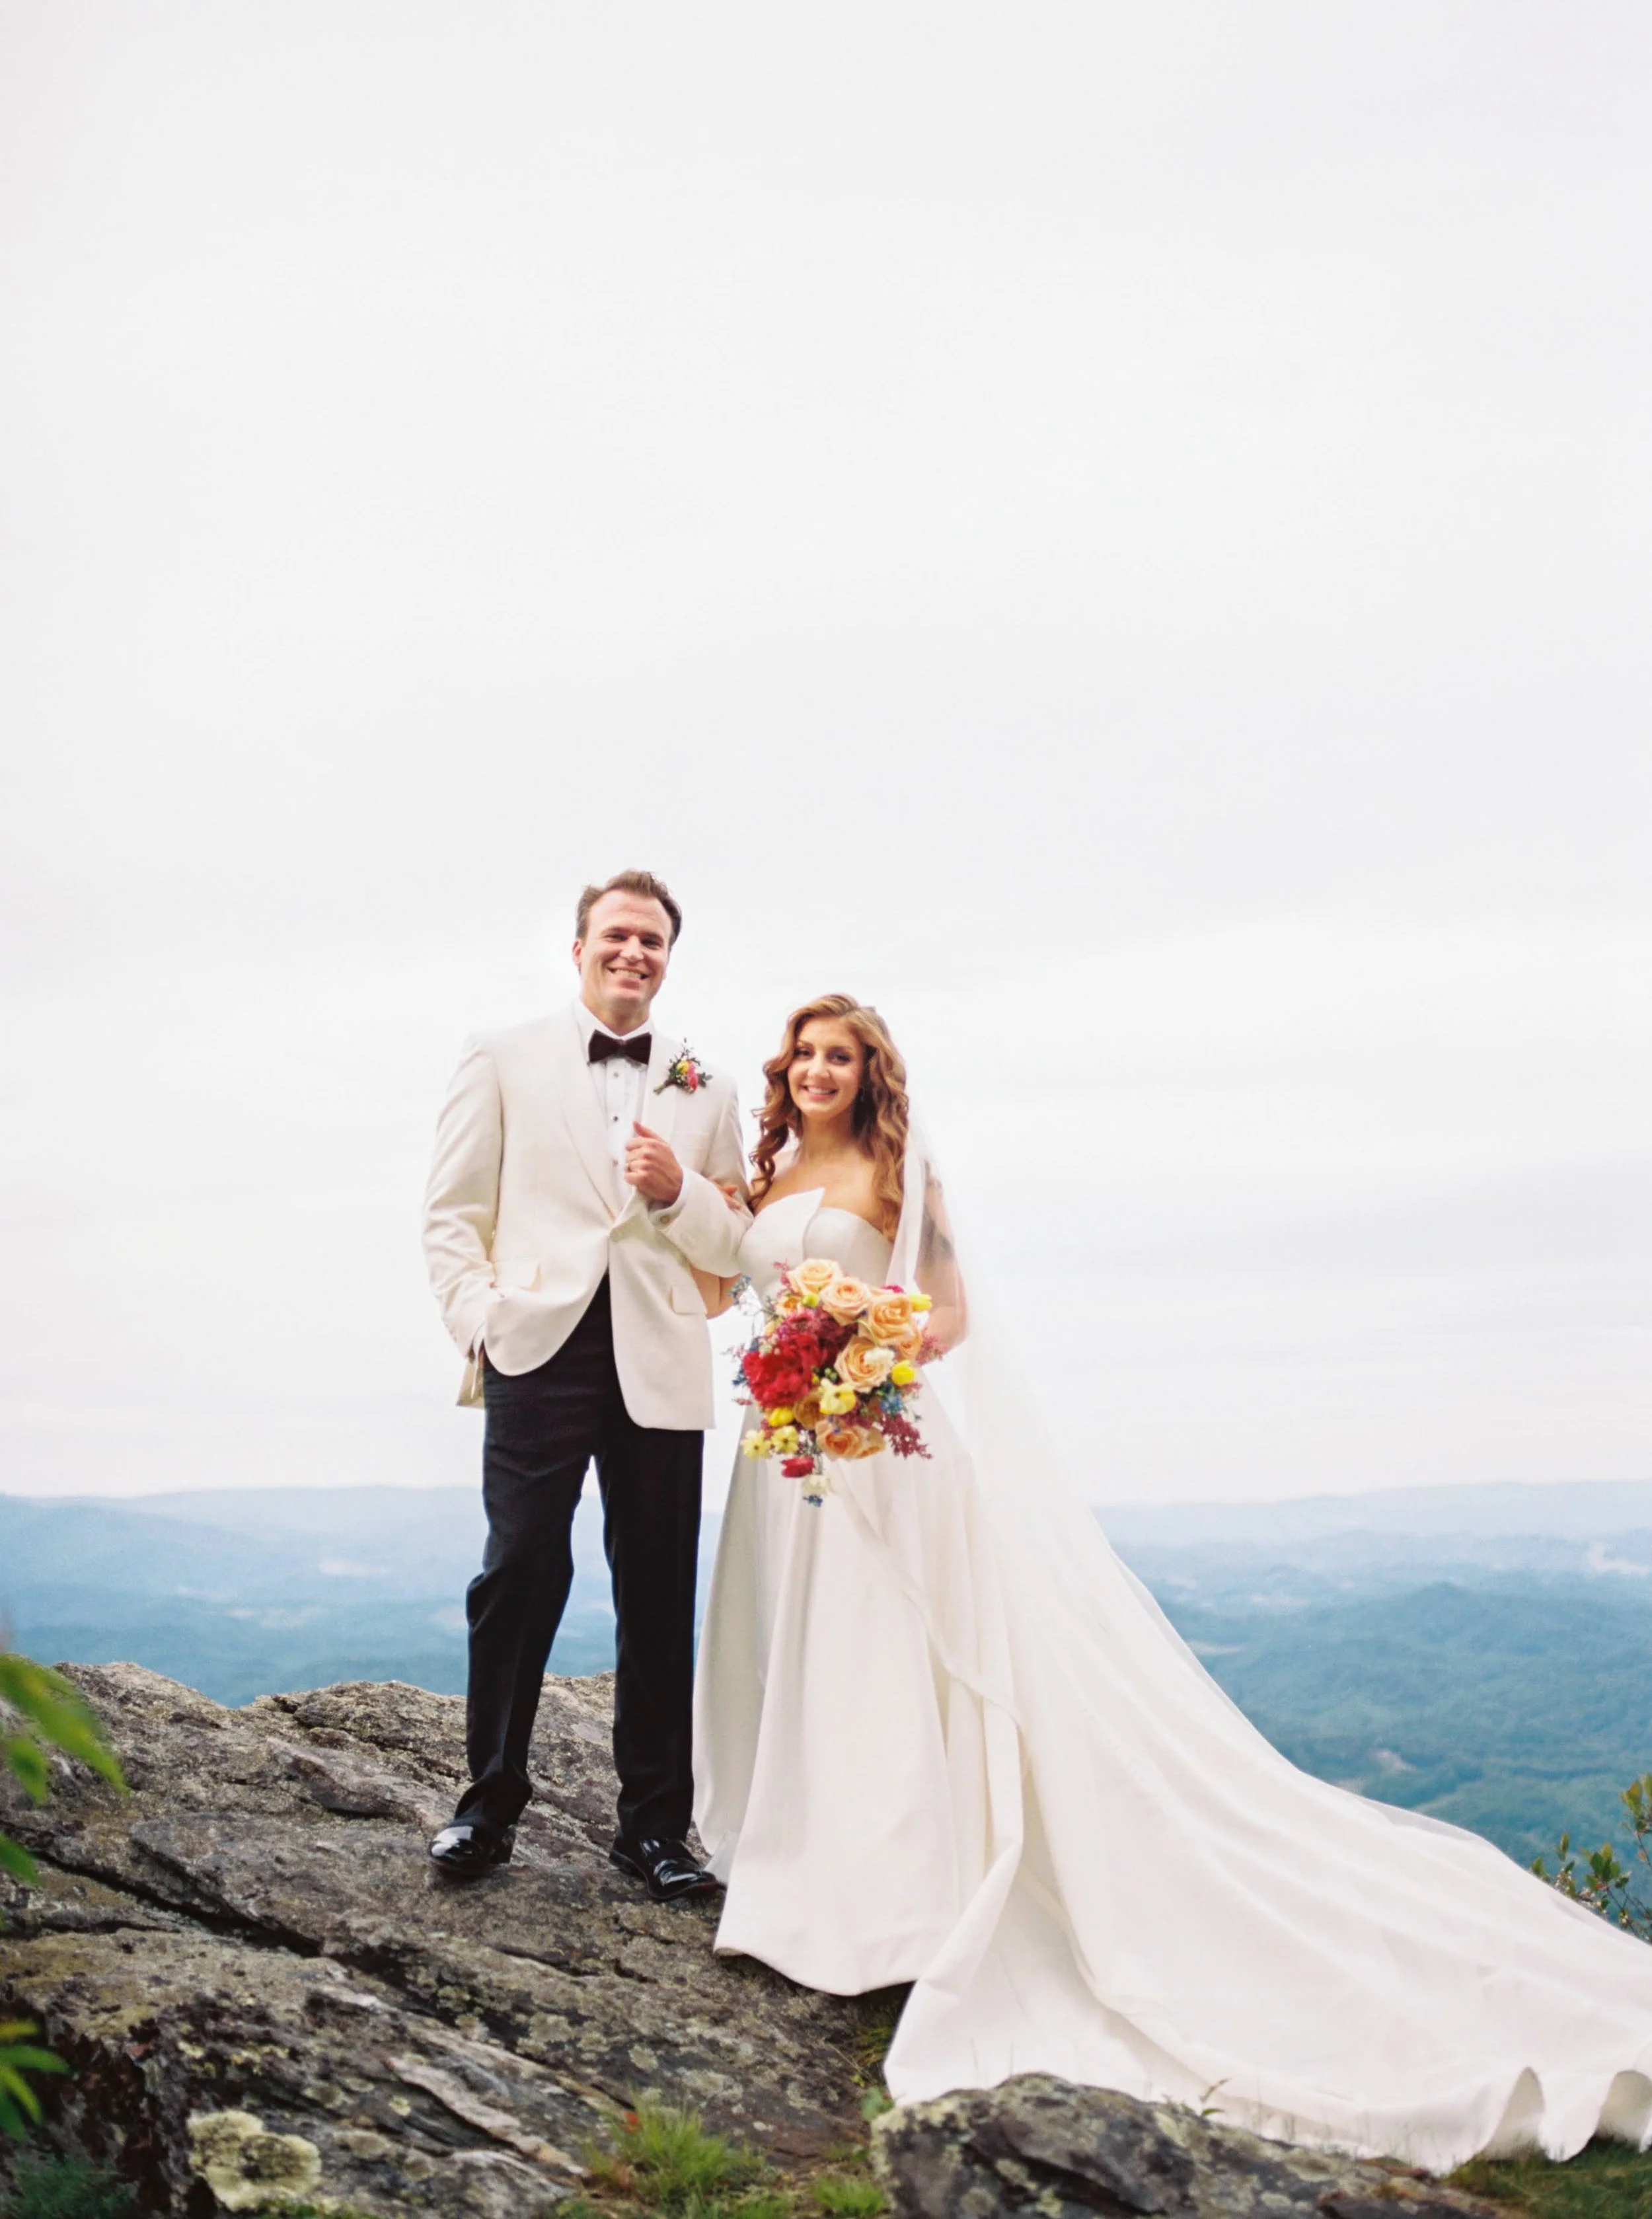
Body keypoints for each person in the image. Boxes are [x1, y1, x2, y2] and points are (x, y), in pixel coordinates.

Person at [694, 993, 1652, 2172]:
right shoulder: (773, 1172)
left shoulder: (900, 1179)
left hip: (878, 1447)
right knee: (796, 1652)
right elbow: (721, 1281)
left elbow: (952, 1314)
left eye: (840, 1057)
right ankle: (797, 1861)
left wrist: (862, 1351)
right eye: (805, 1056)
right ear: (784, 1070)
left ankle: (890, 1902)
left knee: (881, 1657)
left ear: (869, 1073)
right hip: (781, 1453)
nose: (818, 1072)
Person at [422, 868, 749, 1899]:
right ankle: (487, 1804)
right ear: (579, 948)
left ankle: (654, 1828)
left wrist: (680, 1187)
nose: (634, 954)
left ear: (667, 957)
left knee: (657, 1588)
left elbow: (733, 1248)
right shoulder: (501, 1054)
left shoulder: (709, 1085)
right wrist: (483, 1316)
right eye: (617, 936)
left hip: (659, 1352)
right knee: (519, 1567)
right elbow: (451, 1212)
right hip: (538, 1344)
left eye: (652, 941)